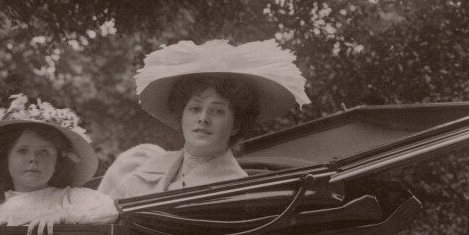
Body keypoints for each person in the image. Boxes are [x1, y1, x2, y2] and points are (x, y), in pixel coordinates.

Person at [99, 39, 311, 199]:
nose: (203, 118)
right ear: (181, 115)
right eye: (194, 108)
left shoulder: (238, 189)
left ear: (236, 124)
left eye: (217, 111)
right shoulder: (144, 164)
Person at [0, 94, 118, 235]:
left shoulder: (68, 198)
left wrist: (63, 214)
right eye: (22, 151)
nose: (33, 159)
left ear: (57, 163)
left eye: (44, 152)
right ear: (6, 160)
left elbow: (109, 208)